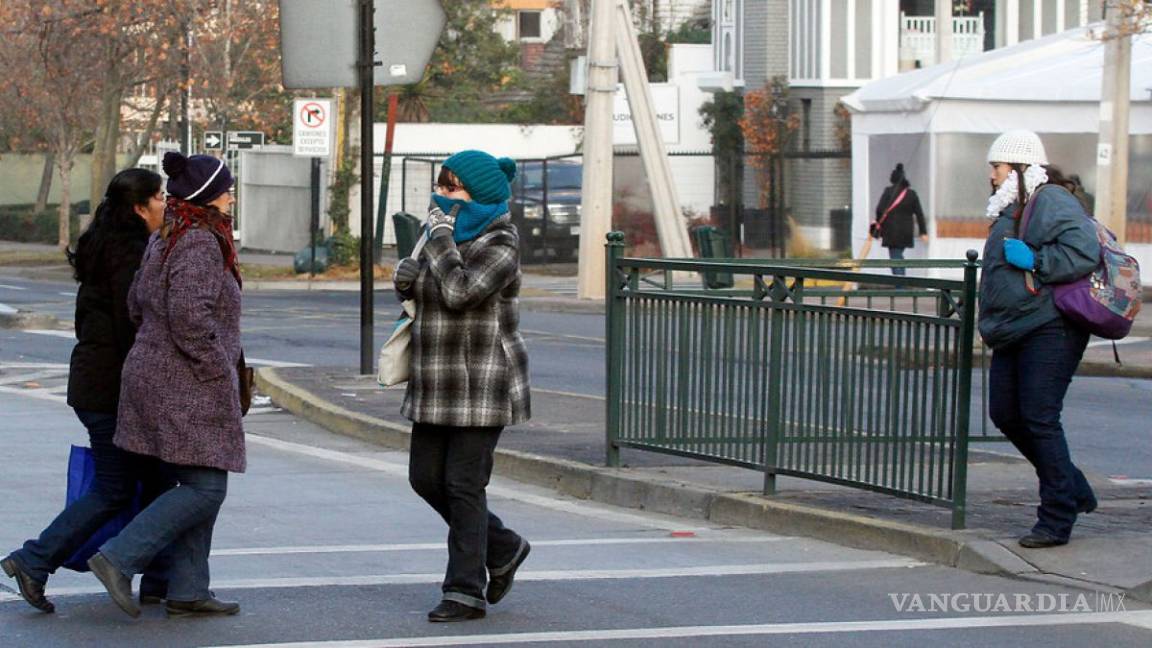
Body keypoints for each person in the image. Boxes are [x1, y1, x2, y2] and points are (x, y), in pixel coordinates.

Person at [1, 169, 174, 614]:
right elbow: (132, 327)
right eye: (158, 197)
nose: (165, 204)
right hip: (110, 389)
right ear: (139, 207)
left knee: (155, 480)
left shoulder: (107, 245)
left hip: (97, 384)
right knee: (115, 488)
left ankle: (160, 578)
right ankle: (32, 560)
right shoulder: (130, 255)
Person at [86, 152, 245, 618]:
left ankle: (188, 588)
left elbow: (138, 303)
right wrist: (218, 368)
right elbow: (191, 319)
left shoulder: (168, 236)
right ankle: (118, 557)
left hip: (158, 375)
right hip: (186, 381)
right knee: (206, 487)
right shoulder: (198, 241)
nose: (231, 195)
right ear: (206, 196)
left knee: (200, 479)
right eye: (226, 188)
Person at [392, 150, 532, 622]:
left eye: (453, 189)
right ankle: (504, 545)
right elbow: (427, 295)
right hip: (435, 380)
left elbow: (460, 292)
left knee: (463, 485)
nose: (443, 197)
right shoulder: (440, 238)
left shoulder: (502, 242)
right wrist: (406, 282)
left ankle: (464, 591)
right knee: (425, 479)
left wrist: (440, 242)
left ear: (481, 196)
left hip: (482, 382)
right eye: (441, 186)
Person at [978, 130, 1101, 549]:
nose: (992, 176)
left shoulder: (1050, 199)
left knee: (1038, 416)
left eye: (997, 167)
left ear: (1018, 168)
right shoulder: (1013, 205)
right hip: (1015, 326)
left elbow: (1085, 250)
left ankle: (1056, 518)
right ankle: (1072, 488)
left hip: (1051, 326)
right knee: (1005, 414)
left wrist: (1037, 261)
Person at [871, 163, 928, 275]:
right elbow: (919, 214)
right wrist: (923, 232)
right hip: (906, 232)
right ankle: (901, 283)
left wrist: (878, 224)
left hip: (890, 231)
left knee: (895, 258)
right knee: (897, 256)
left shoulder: (888, 191)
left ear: (893, 178)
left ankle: (900, 287)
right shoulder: (912, 194)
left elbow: (879, 209)